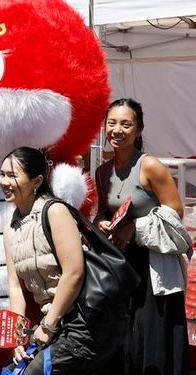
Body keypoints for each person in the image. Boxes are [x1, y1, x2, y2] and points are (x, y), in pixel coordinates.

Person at [0, 146, 127, 374]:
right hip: (55, 322)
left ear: (37, 181)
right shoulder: (11, 226)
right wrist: (18, 336)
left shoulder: (54, 211)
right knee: (13, 370)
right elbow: (15, 285)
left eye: (12, 175)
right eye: (2, 174)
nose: (4, 182)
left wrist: (48, 325)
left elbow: (74, 273)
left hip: (85, 321)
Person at [94, 98, 188, 375]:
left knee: (152, 333)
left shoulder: (150, 166)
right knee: (124, 334)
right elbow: (102, 210)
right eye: (111, 123)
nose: (117, 130)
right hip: (119, 264)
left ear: (139, 129)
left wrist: (135, 227)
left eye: (126, 124)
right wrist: (102, 223)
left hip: (153, 264)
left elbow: (176, 211)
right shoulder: (102, 172)